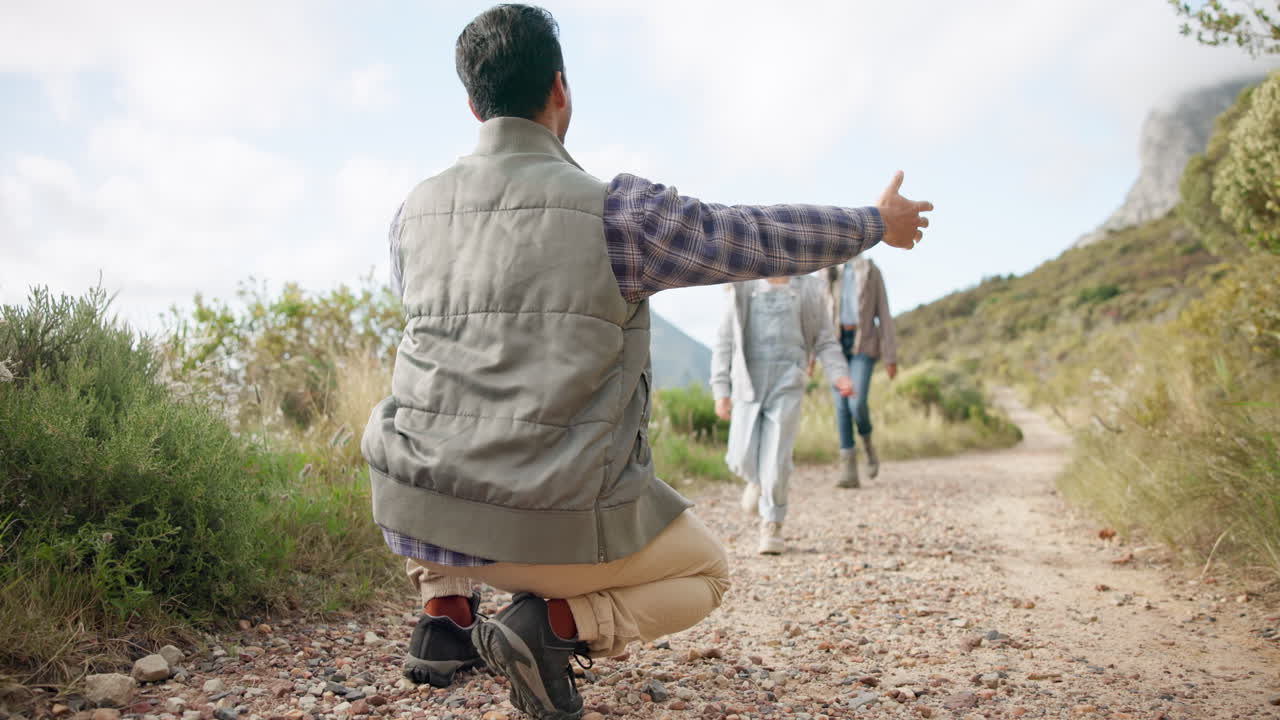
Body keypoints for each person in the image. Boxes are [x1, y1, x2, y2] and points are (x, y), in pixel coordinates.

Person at [361, 5, 933, 719]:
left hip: (417, 517)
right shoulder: (620, 215)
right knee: (709, 572)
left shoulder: (411, 213)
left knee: (441, 406)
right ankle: (550, 630)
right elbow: (756, 237)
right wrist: (874, 224)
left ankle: (444, 615)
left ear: (473, 104)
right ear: (561, 91)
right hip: (550, 531)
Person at [710, 275, 852, 555]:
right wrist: (720, 390)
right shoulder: (741, 288)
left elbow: (825, 339)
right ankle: (756, 480)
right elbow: (724, 341)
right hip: (747, 381)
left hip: (788, 380)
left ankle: (772, 524)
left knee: (777, 455)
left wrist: (839, 375)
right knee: (740, 456)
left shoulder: (810, 290)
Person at [823, 256, 899, 488]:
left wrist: (890, 355)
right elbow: (818, 314)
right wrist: (810, 357)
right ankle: (849, 472)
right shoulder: (827, 269)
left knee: (857, 404)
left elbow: (884, 313)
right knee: (841, 406)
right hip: (835, 344)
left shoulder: (871, 271)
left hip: (863, 342)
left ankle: (867, 443)